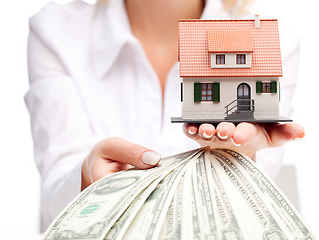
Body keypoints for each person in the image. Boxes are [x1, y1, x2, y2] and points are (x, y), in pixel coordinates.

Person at [25, 0, 304, 231]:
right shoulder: (55, 32)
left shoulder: (274, 37)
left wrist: (244, 158)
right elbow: (56, 187)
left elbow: (252, 213)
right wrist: (85, 180)